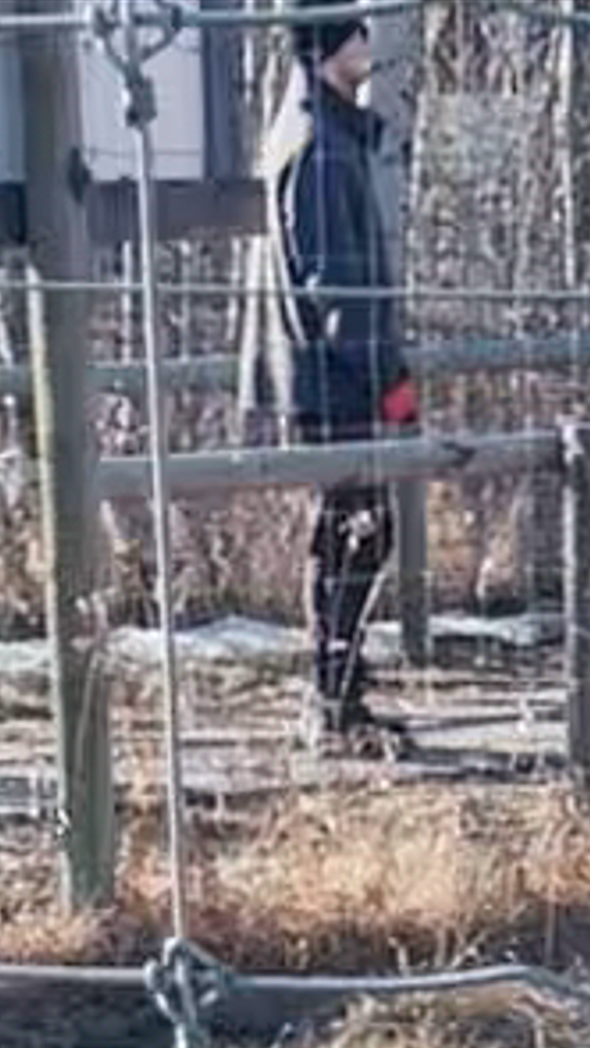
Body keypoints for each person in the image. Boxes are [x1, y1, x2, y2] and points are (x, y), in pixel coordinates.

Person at [262, 13, 417, 760]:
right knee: (358, 530)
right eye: (356, 35)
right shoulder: (321, 147)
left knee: (349, 529)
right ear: (330, 48)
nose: (367, 47)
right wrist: (390, 384)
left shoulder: (310, 132)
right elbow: (340, 288)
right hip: (336, 378)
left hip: (321, 372)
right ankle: (332, 696)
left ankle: (338, 689)